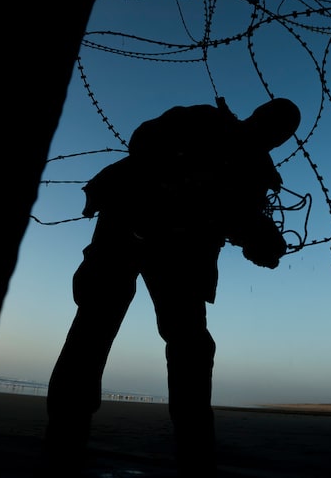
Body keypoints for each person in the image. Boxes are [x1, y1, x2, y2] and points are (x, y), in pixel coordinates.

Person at [43, 97, 301, 476]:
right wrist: (186, 175)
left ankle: (195, 452)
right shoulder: (204, 121)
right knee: (96, 326)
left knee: (189, 344)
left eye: (281, 134)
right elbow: (142, 140)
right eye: (273, 126)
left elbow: (241, 219)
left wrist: (260, 244)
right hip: (128, 229)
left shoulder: (255, 171)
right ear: (258, 116)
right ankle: (64, 439)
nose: (273, 138)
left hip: (181, 255)